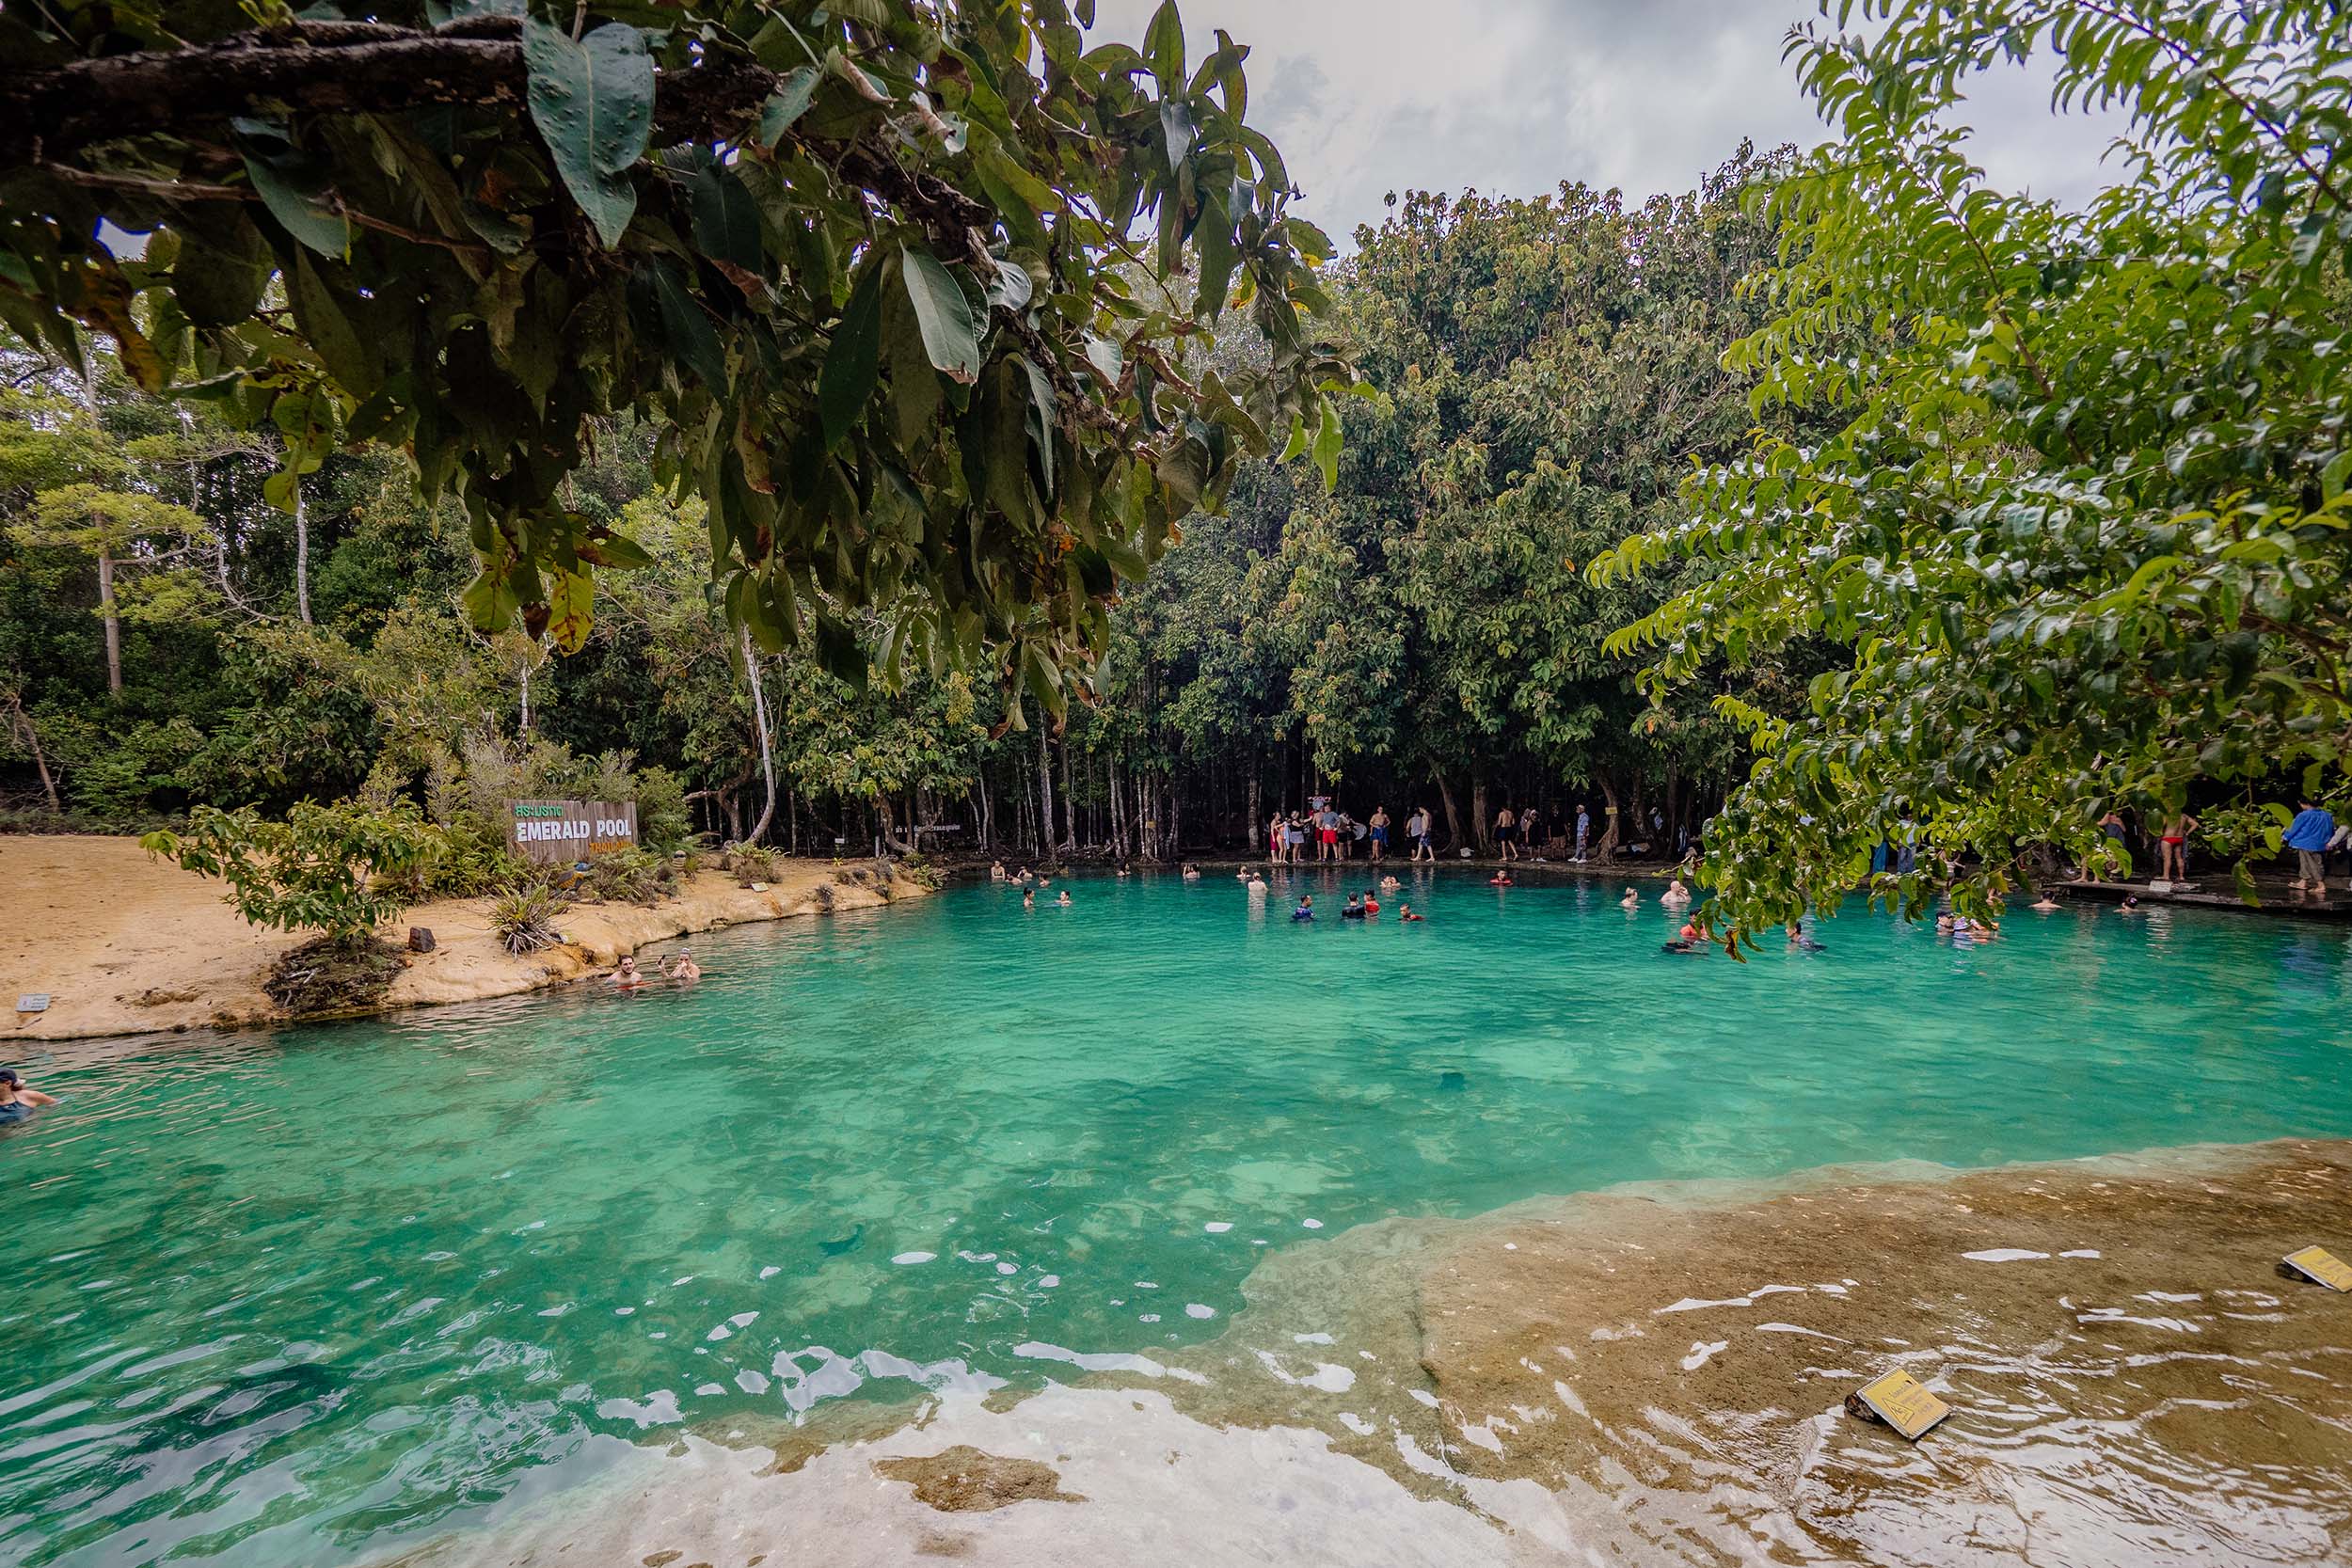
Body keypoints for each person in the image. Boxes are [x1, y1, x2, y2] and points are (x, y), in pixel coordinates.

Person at [2284, 799, 2335, 896]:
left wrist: (2286, 836)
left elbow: (2294, 828)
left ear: (2304, 803)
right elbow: (2331, 829)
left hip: (2306, 842)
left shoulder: (2304, 815)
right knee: (2306, 862)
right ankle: (2303, 882)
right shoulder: (2327, 815)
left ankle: (2321, 885)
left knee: (2314, 863)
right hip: (2321, 843)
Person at [2156, 811, 2198, 882]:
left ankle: (2166, 876)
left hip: (2168, 838)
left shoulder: (2168, 815)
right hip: (2179, 838)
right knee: (2179, 857)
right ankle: (2181, 876)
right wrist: (2187, 833)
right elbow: (2195, 824)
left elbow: (2161, 825)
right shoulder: (2184, 816)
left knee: (2167, 858)